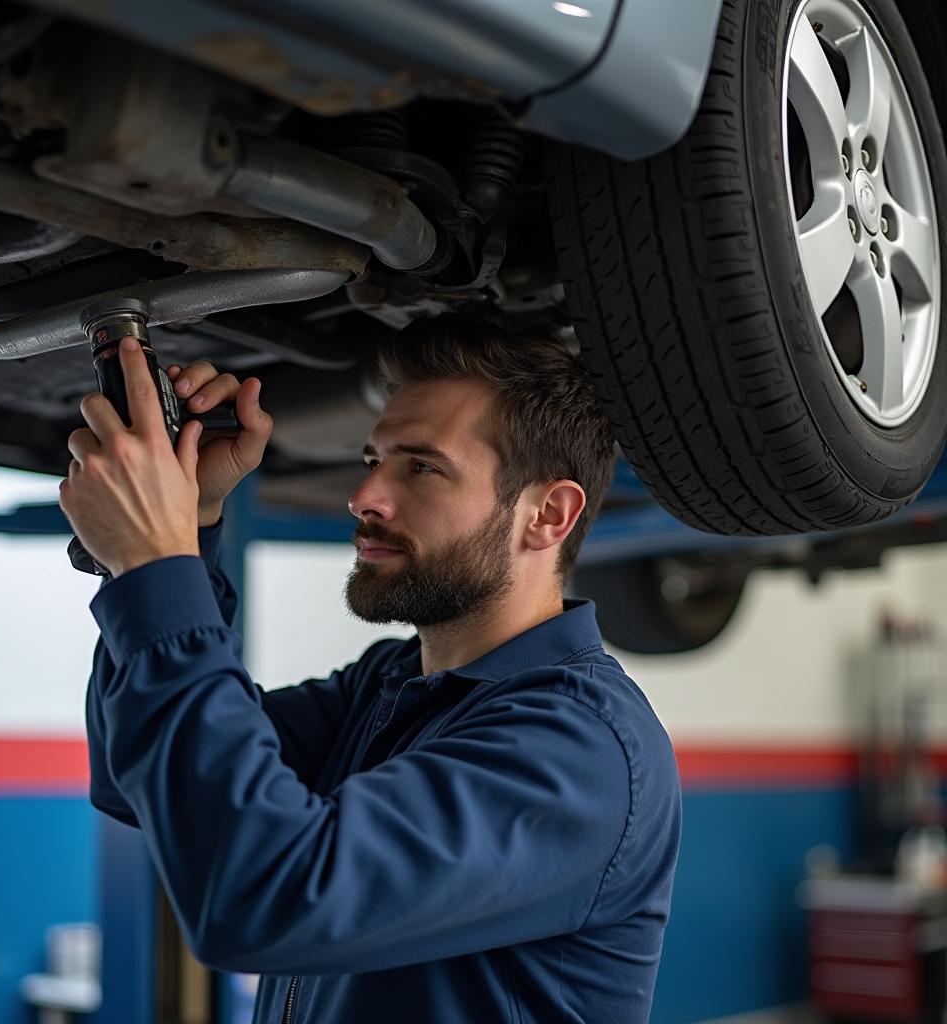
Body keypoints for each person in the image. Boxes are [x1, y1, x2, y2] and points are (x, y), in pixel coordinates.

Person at [62, 315, 682, 1024]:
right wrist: (192, 528)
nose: (364, 499)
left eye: (420, 467)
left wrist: (155, 564)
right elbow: (129, 779)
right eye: (372, 461)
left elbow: (259, 900)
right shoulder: (394, 686)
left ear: (548, 514)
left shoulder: (580, 750)